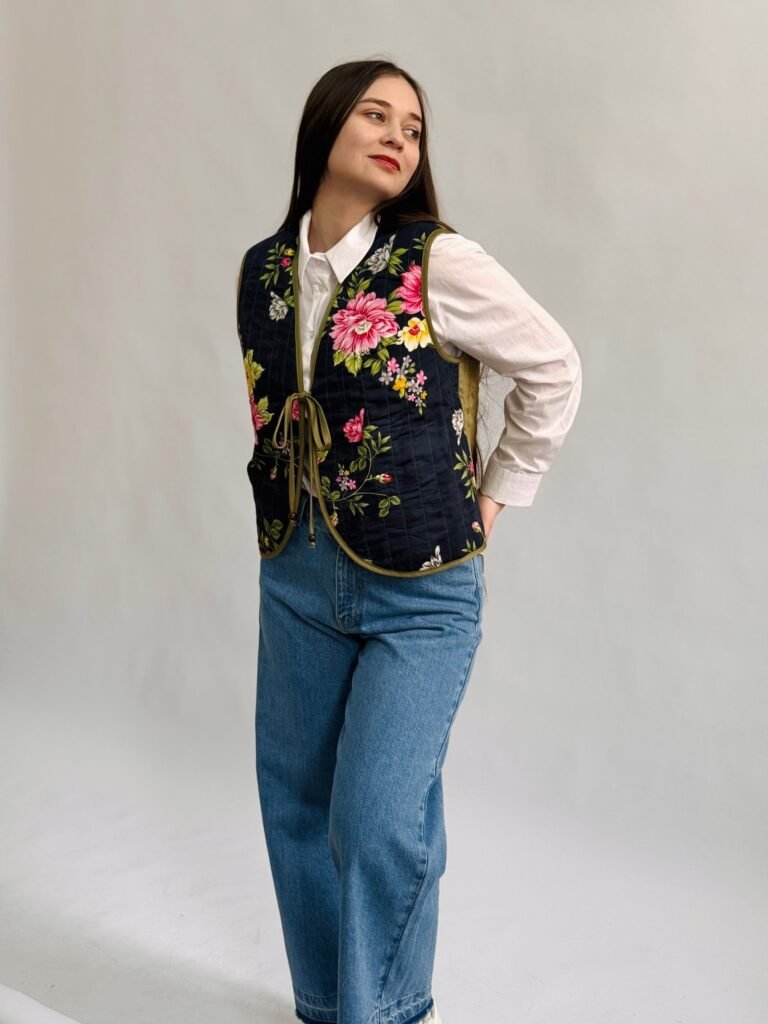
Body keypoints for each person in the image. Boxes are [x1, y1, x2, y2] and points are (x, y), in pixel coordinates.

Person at [236, 59, 582, 1024]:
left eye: (414, 127)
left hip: (423, 590)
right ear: (325, 128)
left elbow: (555, 367)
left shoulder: (438, 261)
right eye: (376, 115)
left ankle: (386, 1014)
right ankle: (328, 1007)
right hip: (297, 573)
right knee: (295, 803)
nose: (399, 137)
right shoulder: (263, 270)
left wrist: (495, 499)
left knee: (378, 817)